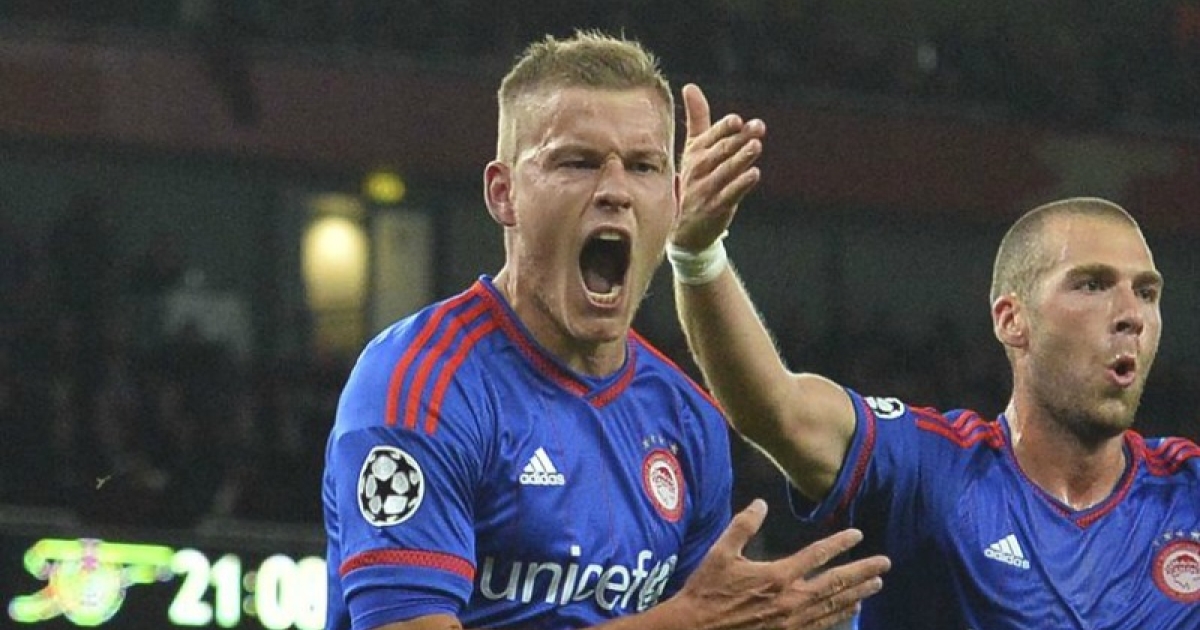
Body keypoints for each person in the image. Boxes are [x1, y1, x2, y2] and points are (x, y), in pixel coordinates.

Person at [322, 30, 890, 630]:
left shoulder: (686, 419)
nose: (615, 190)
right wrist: (685, 624)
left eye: (644, 166)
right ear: (503, 193)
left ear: (675, 200)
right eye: (578, 162)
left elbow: (710, 616)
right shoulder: (419, 385)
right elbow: (695, 619)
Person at [668, 82, 1200, 629]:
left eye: (1147, 292)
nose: (1131, 313)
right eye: (1092, 284)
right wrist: (697, 254)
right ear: (1012, 320)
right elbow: (776, 408)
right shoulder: (932, 473)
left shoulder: (1188, 495)